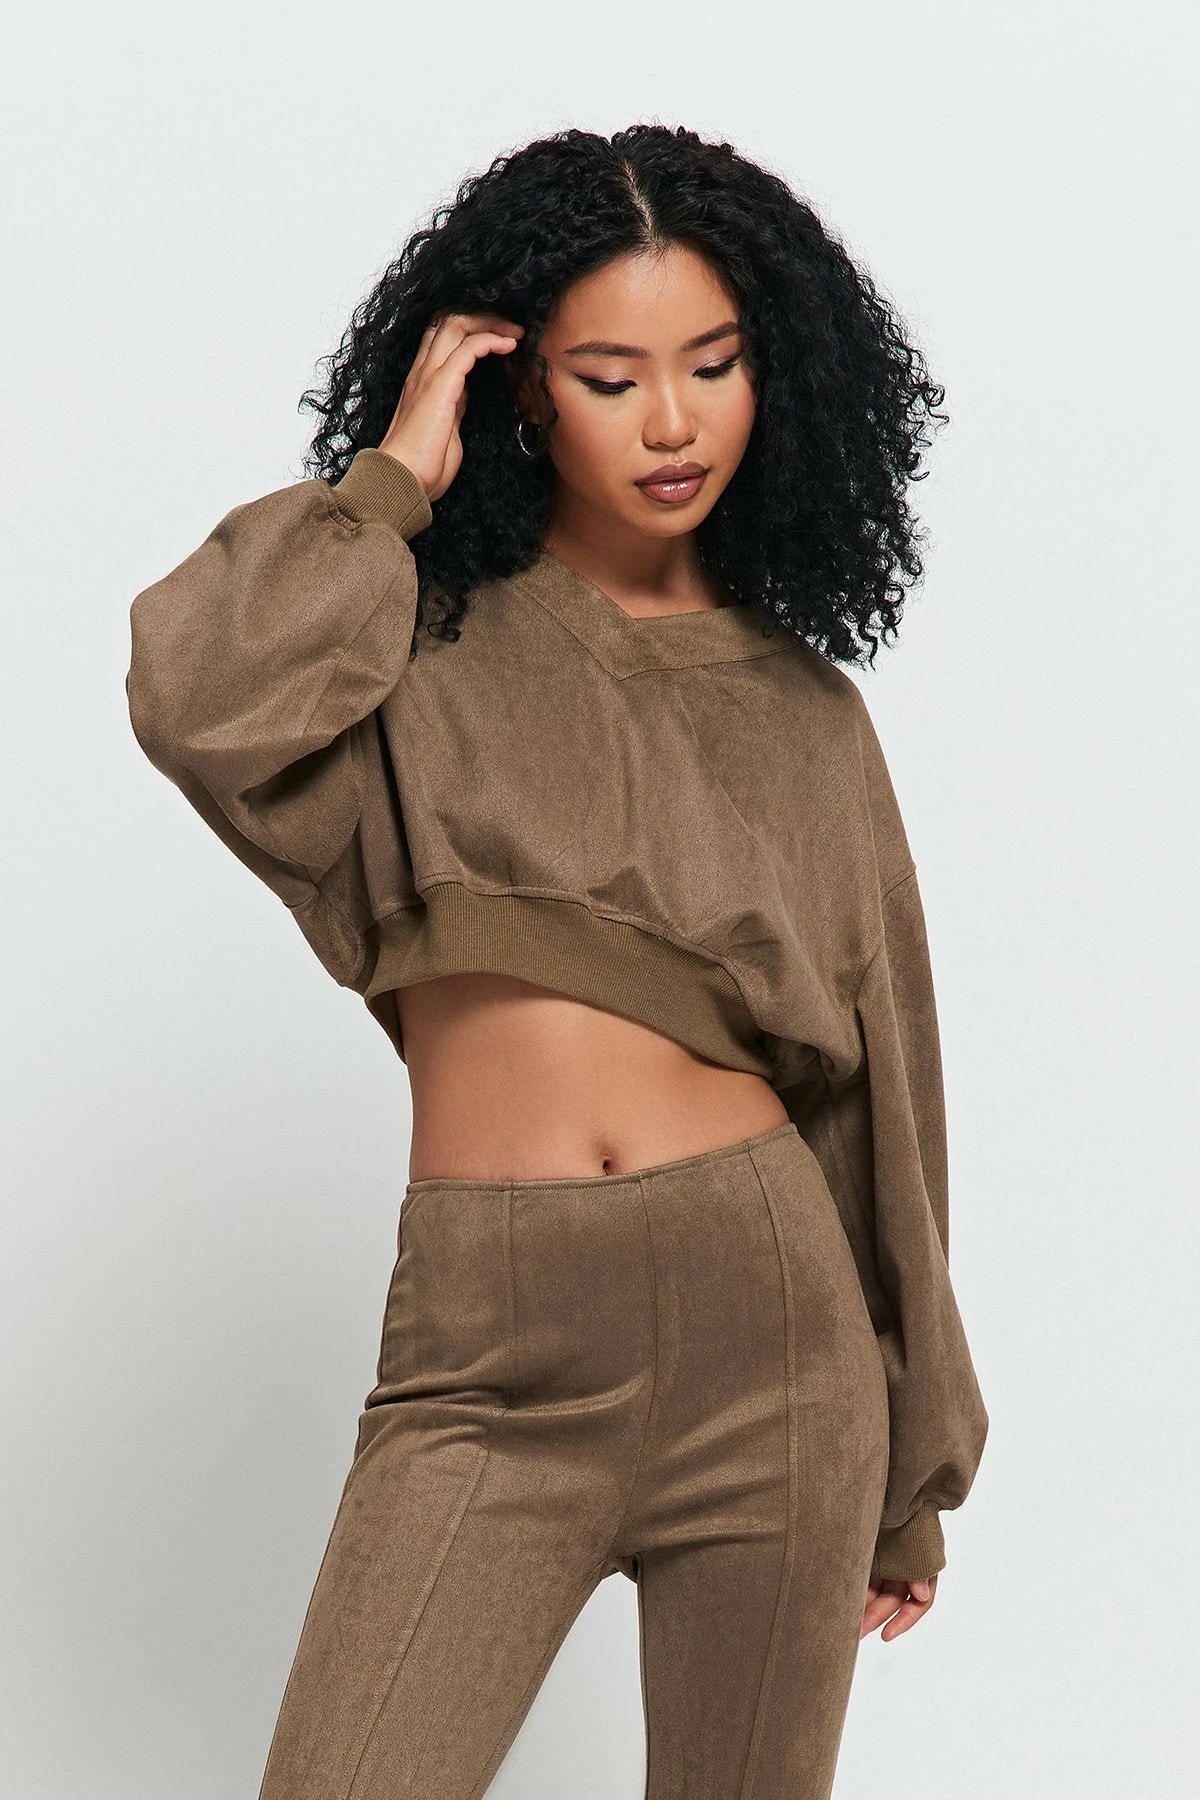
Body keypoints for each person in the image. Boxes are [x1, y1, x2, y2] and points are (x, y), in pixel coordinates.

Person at [126, 123, 988, 1800]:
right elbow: (194, 698)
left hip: (775, 1345)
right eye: (611, 376)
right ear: (523, 388)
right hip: (487, 1351)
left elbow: (887, 1099)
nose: (674, 423)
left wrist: (915, 1463)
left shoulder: (810, 716)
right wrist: (389, 486)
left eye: (715, 365)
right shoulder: (409, 639)